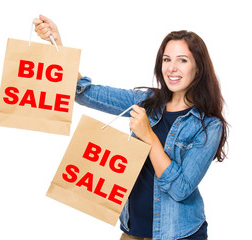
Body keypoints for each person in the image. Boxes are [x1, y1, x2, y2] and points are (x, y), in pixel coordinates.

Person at [34, 15, 228, 240]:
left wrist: (148, 136)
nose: (172, 68)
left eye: (182, 60)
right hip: (132, 229)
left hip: (178, 233)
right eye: (167, 60)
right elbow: (85, 93)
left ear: (198, 67)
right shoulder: (145, 101)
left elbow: (181, 189)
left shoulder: (208, 125)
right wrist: (57, 44)